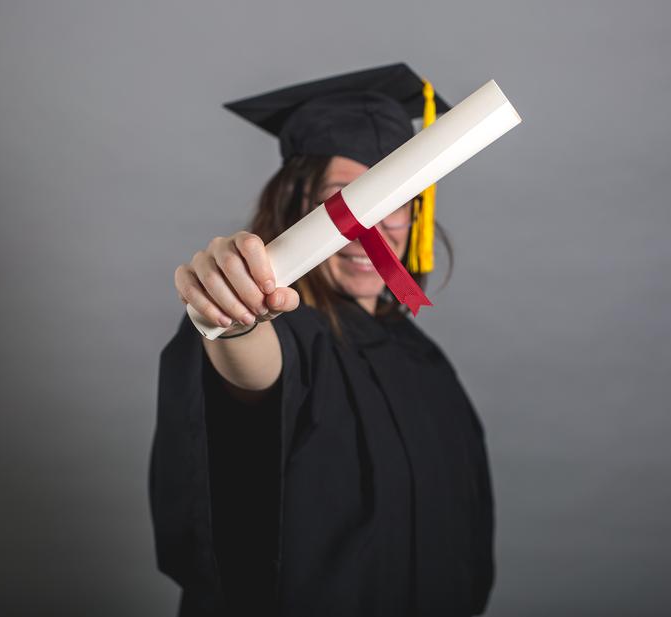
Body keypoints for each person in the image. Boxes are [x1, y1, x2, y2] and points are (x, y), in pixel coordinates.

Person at [150, 63, 495, 617]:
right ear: (297, 205)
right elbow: (253, 375)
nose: (374, 226)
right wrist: (235, 320)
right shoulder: (288, 330)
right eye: (346, 200)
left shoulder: (424, 359)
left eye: (396, 198)